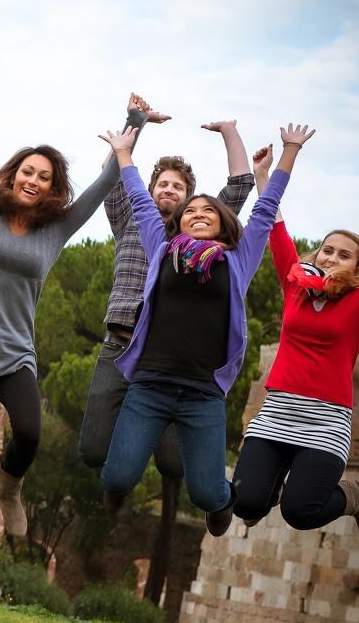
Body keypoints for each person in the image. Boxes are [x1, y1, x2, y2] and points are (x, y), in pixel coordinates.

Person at [0, 57, 148, 541]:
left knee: (30, 434)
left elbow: (107, 180)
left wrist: (135, 122)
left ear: (52, 188)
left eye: (44, 176)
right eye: (27, 171)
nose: (33, 180)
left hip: (14, 350)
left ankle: (10, 487)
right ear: (13, 174)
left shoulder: (58, 229)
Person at [97, 123, 312, 536]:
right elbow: (140, 200)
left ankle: (220, 501)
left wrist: (290, 151)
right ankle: (116, 484)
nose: (197, 214)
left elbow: (265, 208)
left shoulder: (238, 260)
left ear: (222, 222)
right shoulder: (162, 250)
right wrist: (124, 152)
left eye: (207, 211)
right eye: (190, 211)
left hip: (203, 394)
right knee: (118, 478)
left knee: (205, 492)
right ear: (179, 223)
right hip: (150, 386)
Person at [232, 144, 359, 546]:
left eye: (343, 255)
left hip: (325, 422)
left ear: (358, 268)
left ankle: (356, 495)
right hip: (276, 413)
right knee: (247, 503)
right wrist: (262, 176)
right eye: (327, 250)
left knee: (300, 511)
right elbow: (277, 229)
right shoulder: (295, 287)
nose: (331, 258)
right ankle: (252, 494)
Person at [78, 115, 257, 482]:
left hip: (169, 362)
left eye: (179, 187)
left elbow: (240, 185)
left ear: (189, 200)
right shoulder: (130, 219)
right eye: (163, 184)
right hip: (120, 345)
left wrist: (229, 131)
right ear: (150, 189)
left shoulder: (199, 238)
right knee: (93, 451)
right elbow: (111, 176)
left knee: (174, 465)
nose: (170, 190)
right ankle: (117, 487)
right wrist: (135, 121)